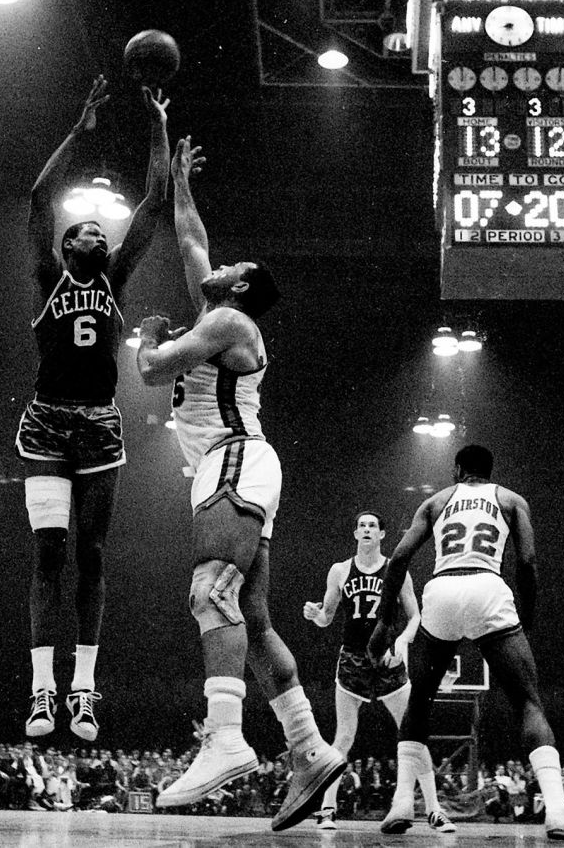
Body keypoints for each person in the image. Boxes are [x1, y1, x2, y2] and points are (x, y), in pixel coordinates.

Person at [135, 134, 345, 832]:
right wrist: (180, 182)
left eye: (232, 266)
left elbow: (152, 369)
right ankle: (310, 749)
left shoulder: (228, 319)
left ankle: (224, 735)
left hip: (233, 458)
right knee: (252, 622)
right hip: (239, 465)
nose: (217, 263)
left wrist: (145, 335)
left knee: (210, 592)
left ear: (241, 289)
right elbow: (192, 237)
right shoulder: (218, 310)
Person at [17, 75, 173, 741]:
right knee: (49, 552)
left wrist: (158, 126)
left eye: (98, 229)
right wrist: (78, 132)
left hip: (102, 424)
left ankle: (83, 690)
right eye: (81, 228)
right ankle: (41, 691)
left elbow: (155, 201)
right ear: (65, 246)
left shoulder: (116, 277)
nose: (93, 229)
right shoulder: (49, 278)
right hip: (48, 421)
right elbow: (38, 195)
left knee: (95, 552)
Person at [366, 444, 564, 841]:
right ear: (489, 472)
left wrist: (383, 623)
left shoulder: (437, 500)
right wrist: (524, 616)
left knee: (419, 702)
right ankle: (559, 811)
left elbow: (398, 559)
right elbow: (527, 562)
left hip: (442, 589)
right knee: (528, 702)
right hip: (487, 587)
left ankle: (401, 804)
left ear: (458, 470)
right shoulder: (510, 499)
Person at [302, 511, 452, 831]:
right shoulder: (340, 570)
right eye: (362, 525)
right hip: (353, 658)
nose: (367, 529)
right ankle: (327, 810)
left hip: (387, 658)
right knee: (343, 737)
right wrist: (315, 613)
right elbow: (327, 617)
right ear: (355, 533)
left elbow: (415, 617)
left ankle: (435, 810)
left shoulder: (396, 570)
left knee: (412, 734)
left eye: (373, 526)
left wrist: (403, 642)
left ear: (382, 534)